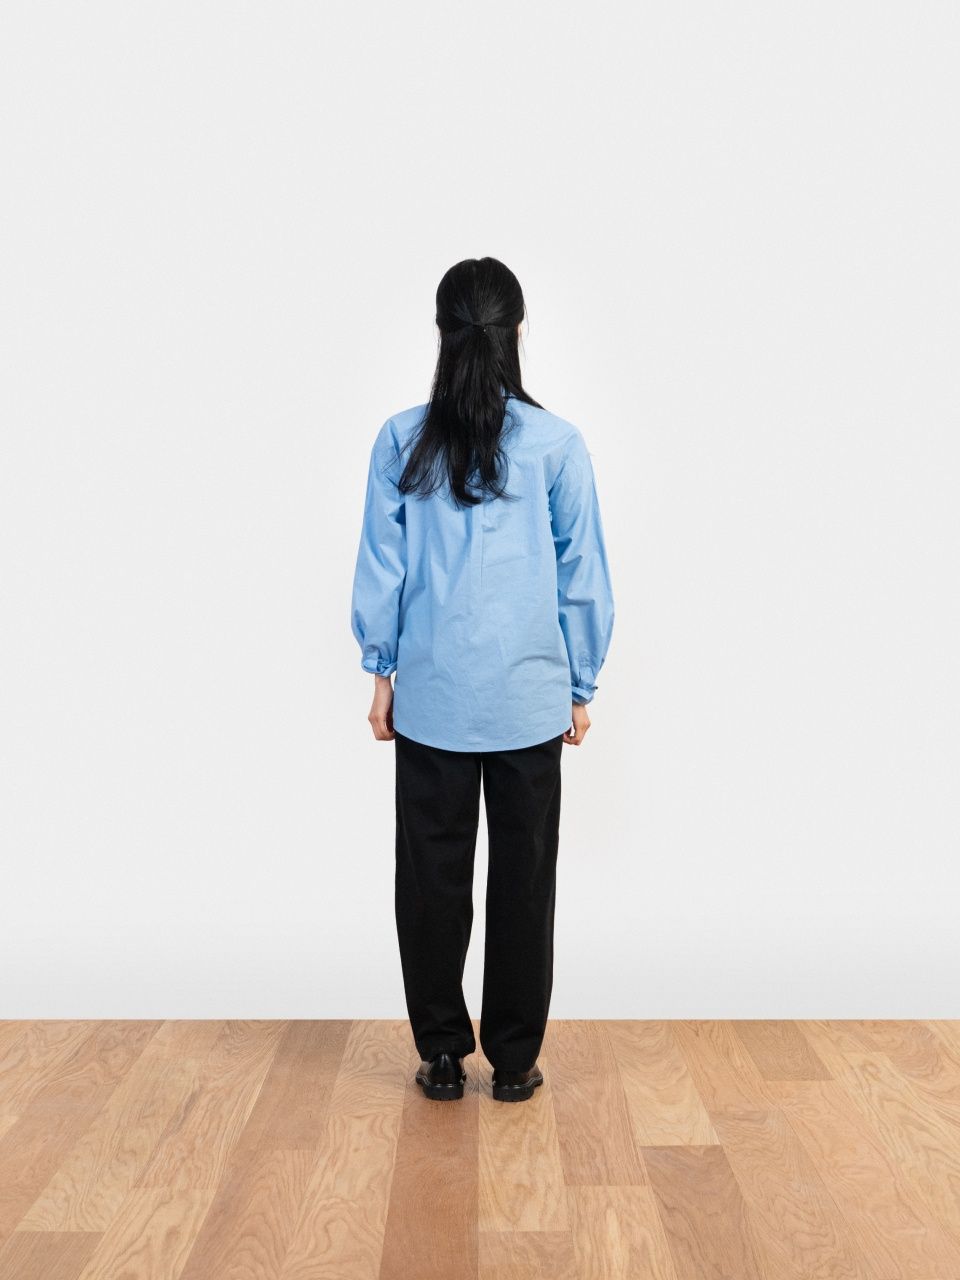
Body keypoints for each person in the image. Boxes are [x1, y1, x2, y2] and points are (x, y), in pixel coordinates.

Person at [350, 257, 615, 1102]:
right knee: (524, 885)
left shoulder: (402, 440)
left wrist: (381, 674)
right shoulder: (557, 444)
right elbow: (582, 575)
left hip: (433, 700)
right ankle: (513, 1059)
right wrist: (581, 685)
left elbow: (384, 565)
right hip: (530, 702)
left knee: (431, 883)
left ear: (442, 333)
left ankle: (440, 1053)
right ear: (517, 334)